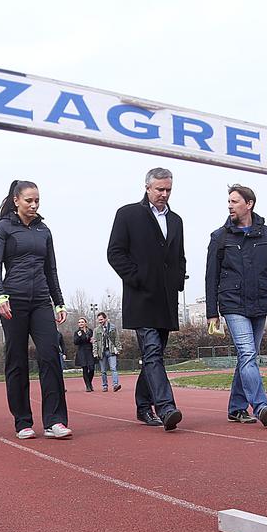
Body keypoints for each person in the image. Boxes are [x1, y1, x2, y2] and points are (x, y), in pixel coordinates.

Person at [205, 184, 267, 427]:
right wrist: (211, 312)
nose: (229, 205)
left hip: (260, 301)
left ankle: (236, 408)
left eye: (234, 201)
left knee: (247, 356)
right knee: (248, 354)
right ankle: (260, 405)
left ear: (249, 204)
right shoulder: (219, 237)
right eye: (228, 201)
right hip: (232, 304)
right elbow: (211, 276)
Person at [0, 179, 71, 439]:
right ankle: (22, 421)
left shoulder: (43, 231)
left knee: (50, 356)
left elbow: (52, 269)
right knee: (17, 361)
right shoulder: (3, 229)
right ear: (16, 200)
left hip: (41, 302)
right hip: (14, 301)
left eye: (37, 200)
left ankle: (54, 421)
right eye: (29, 200)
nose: (34, 205)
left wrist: (58, 300)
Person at [106, 167, 186, 431]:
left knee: (155, 355)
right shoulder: (128, 214)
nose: (164, 194)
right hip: (141, 298)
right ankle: (166, 408)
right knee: (151, 352)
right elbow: (115, 253)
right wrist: (137, 278)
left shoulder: (175, 220)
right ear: (147, 187)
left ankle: (142, 406)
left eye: (168, 190)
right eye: (159, 189)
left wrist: (177, 280)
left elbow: (179, 256)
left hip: (166, 300)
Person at [94, 311, 121, 392]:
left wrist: (118, 349)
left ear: (105, 319)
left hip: (111, 351)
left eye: (101, 319)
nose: (100, 321)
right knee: (103, 371)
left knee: (113, 368)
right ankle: (105, 386)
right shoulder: (96, 330)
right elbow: (95, 342)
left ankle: (115, 385)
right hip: (101, 352)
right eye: (99, 320)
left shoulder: (113, 327)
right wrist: (95, 352)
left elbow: (117, 339)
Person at [73, 317, 96, 392]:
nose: (81, 323)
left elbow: (93, 339)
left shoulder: (90, 331)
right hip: (82, 351)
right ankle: (88, 386)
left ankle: (89, 382)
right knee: (85, 368)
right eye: (79, 322)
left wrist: (93, 341)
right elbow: (75, 342)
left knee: (92, 368)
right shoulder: (77, 332)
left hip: (89, 351)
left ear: (85, 323)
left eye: (82, 322)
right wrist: (79, 336)